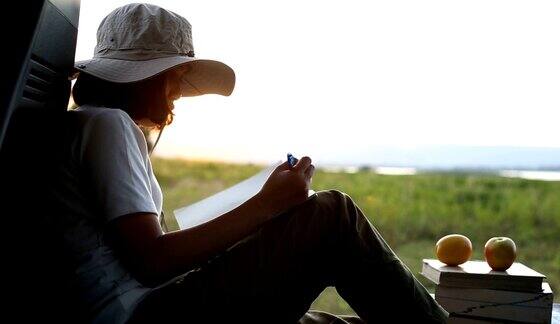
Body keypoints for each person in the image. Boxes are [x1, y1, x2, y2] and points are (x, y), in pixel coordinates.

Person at [62, 3, 449, 324]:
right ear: (145, 79)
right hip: (144, 314)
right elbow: (151, 261)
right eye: (175, 78)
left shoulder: (92, 124)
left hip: (154, 304)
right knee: (333, 213)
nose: (178, 93)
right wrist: (267, 205)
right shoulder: (108, 124)